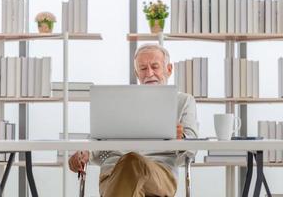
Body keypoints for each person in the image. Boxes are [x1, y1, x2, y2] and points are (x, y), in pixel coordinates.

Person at [69, 44, 199, 197]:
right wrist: (83, 153)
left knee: (132, 161)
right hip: (112, 174)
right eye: (143, 69)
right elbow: (96, 140)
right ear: (137, 74)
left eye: (155, 67)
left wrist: (181, 138)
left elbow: (192, 147)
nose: (149, 73)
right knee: (129, 164)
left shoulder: (184, 101)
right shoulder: (116, 101)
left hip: (159, 176)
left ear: (168, 69)